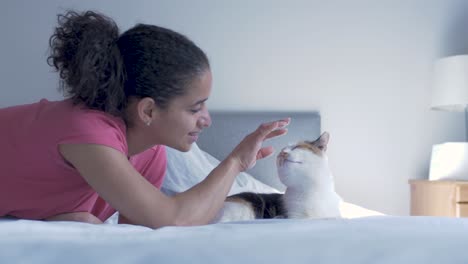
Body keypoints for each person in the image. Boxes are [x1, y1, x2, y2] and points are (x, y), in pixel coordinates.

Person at [0, 10, 289, 228]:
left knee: (82, 220)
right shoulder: (88, 133)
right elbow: (172, 218)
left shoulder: (151, 156)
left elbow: (140, 234)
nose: (206, 120)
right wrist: (235, 162)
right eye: (195, 108)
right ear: (148, 111)